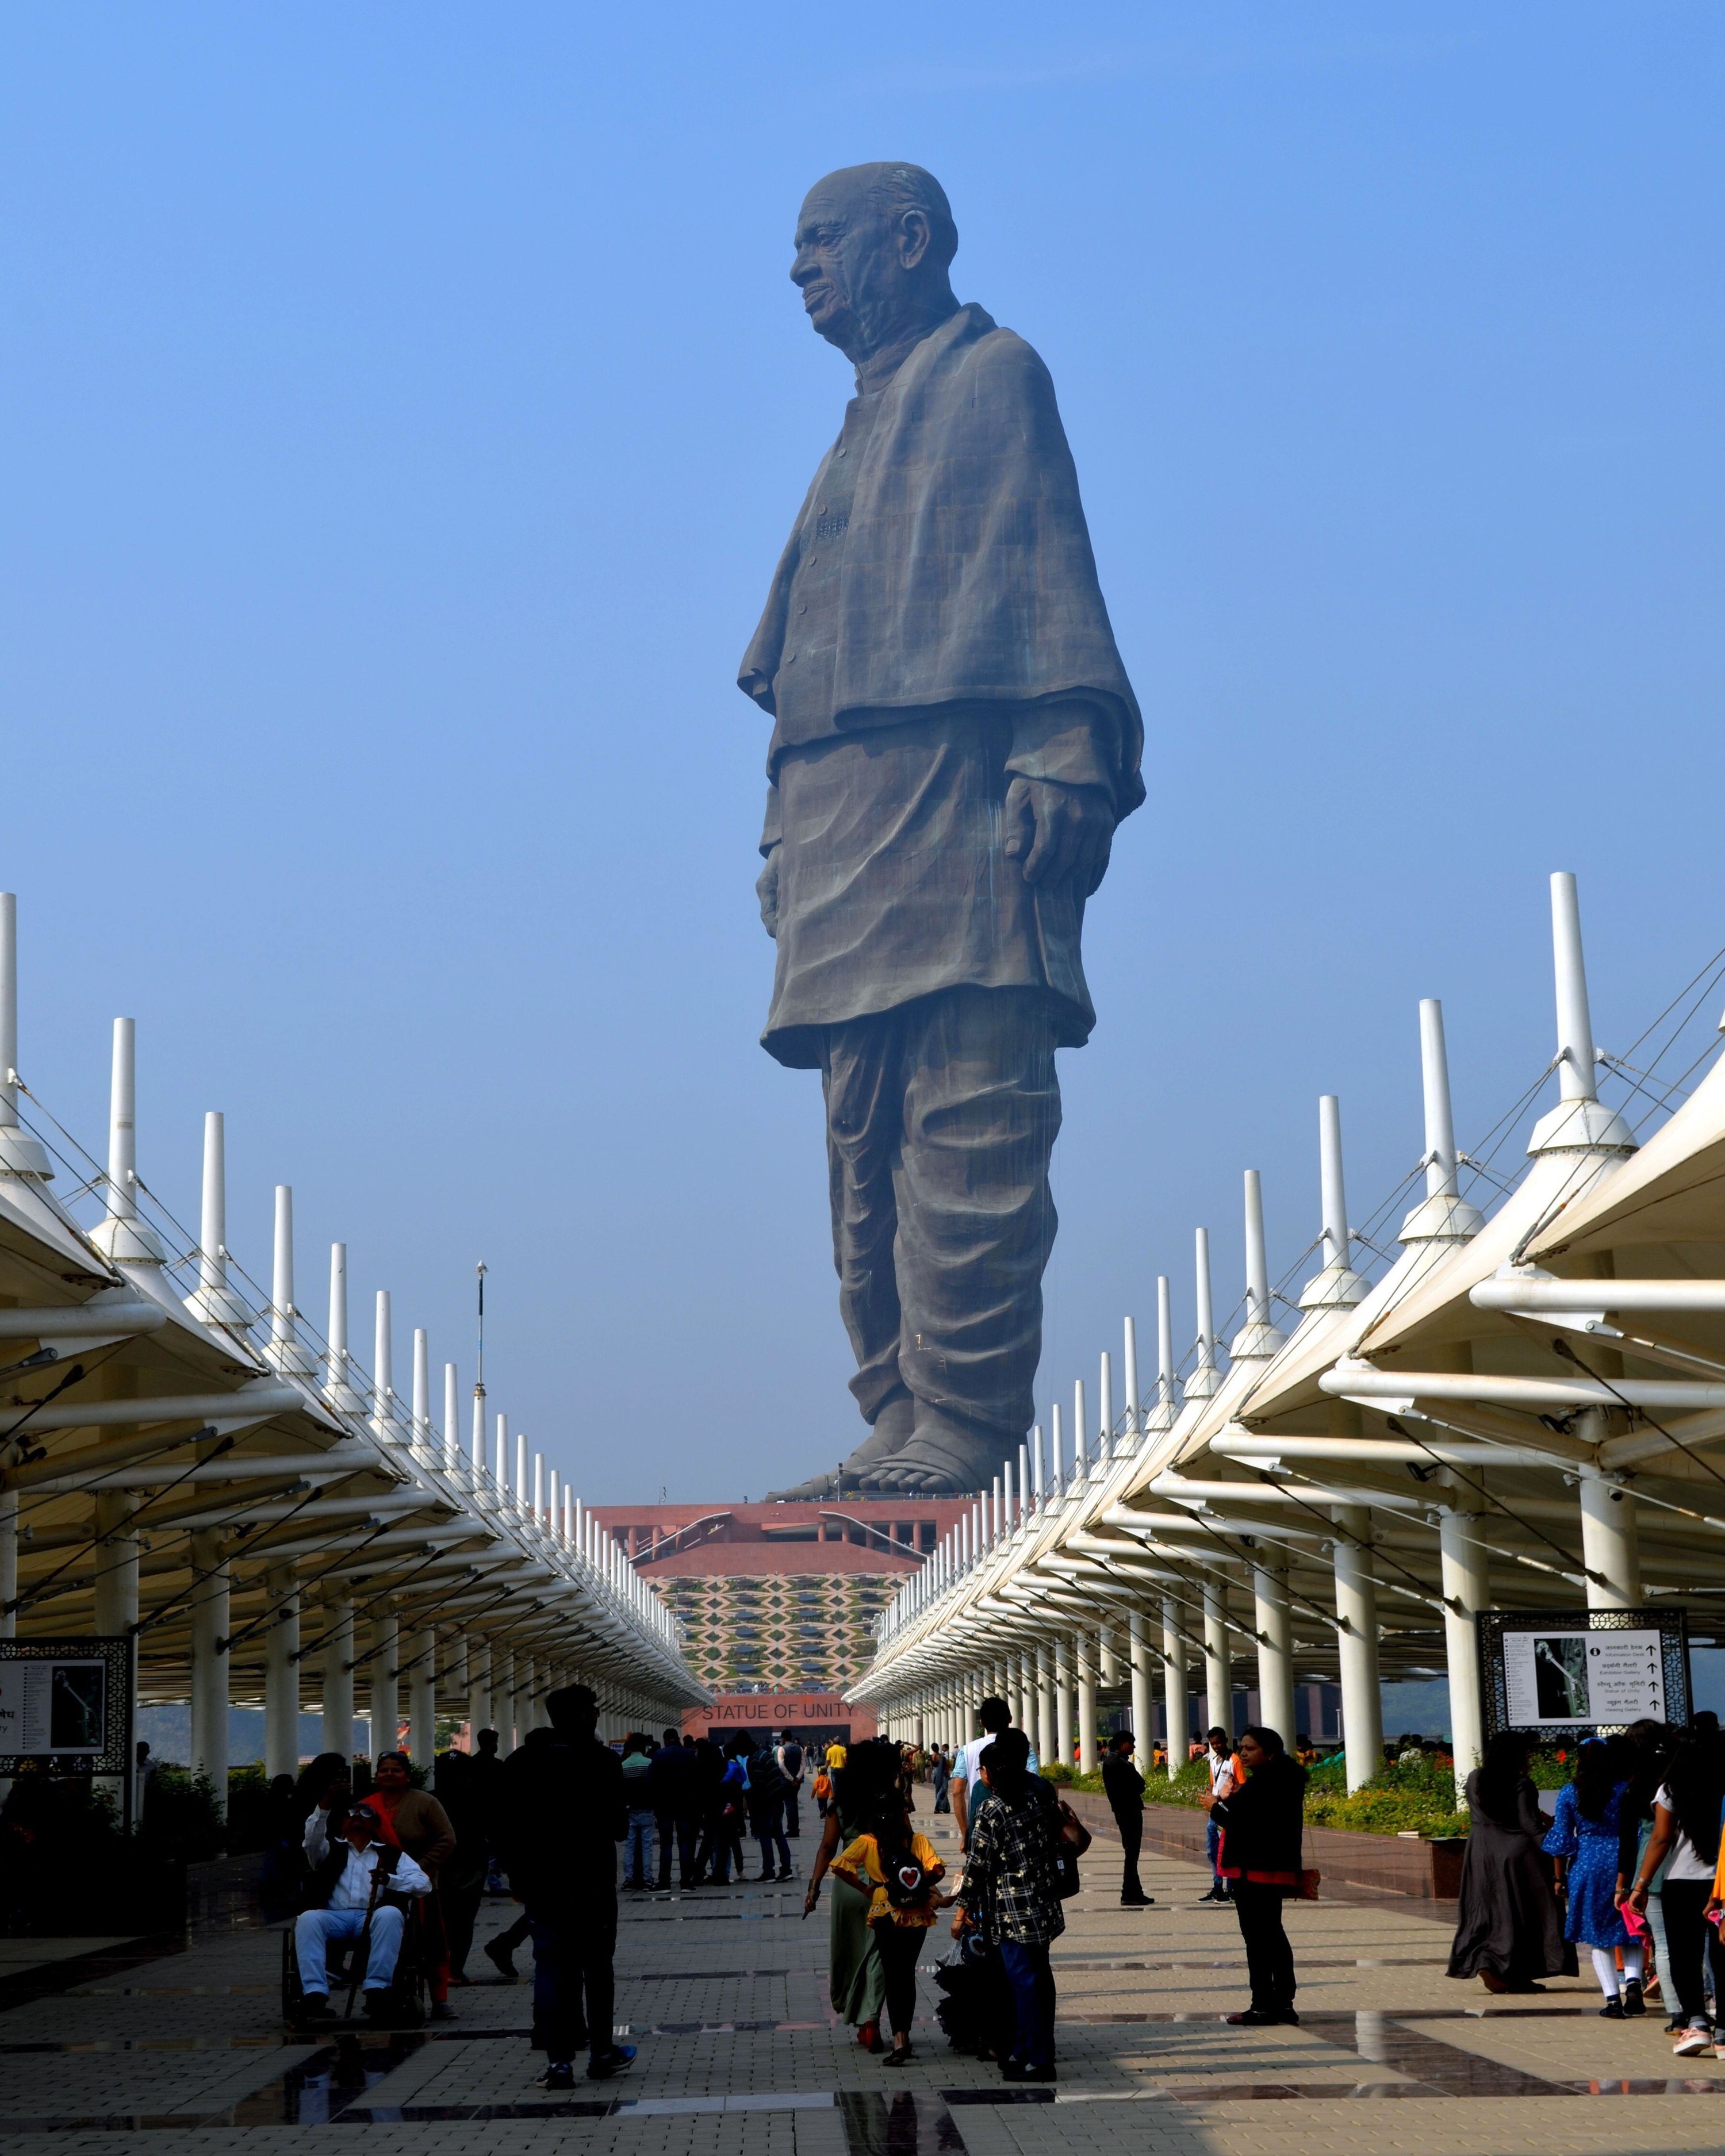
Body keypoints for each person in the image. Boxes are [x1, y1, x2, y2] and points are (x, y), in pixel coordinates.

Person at [494, 1682, 635, 2088]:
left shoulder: (520, 1762)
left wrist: (517, 1876)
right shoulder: (603, 1761)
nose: (596, 1715)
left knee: (552, 1969)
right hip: (592, 1883)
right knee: (597, 1969)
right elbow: (618, 1827)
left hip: (542, 1886)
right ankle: (603, 2051)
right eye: (592, 1710)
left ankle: (558, 2062)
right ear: (580, 1715)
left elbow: (503, 1828)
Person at [953, 1730, 1065, 2081]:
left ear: (988, 1773)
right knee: (1036, 1980)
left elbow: (978, 1866)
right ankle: (1023, 2050)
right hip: (1043, 1904)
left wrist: (960, 1910)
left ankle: (1039, 2061)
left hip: (1014, 1912)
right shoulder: (1036, 1799)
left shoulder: (992, 1809)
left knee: (1024, 1985)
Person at [1446, 1731, 1574, 1994]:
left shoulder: (1475, 1778)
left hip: (1480, 1851)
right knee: (1521, 1913)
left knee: (1488, 1911)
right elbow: (1530, 1825)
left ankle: (1486, 1960)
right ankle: (1515, 1974)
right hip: (1518, 1854)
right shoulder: (1521, 1782)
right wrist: (1558, 1848)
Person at [833, 1783, 946, 2065]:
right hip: (916, 1912)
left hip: (884, 1910)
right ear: (902, 1813)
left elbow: (841, 1865)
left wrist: (867, 1888)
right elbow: (938, 1870)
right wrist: (920, 1884)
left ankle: (898, 2040)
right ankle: (903, 2036)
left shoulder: (868, 1842)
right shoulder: (916, 1841)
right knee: (906, 1974)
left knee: (893, 1973)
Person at [1202, 1724, 1306, 2027]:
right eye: (1242, 1748)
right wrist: (1232, 1801)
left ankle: (1262, 2005)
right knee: (1273, 1935)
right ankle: (1284, 2003)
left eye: (1250, 1749)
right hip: (1275, 1868)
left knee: (1258, 1939)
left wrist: (1215, 1807)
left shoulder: (1267, 1781)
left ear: (1269, 1751)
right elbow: (1259, 1818)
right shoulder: (1284, 1777)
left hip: (1255, 1869)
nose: (1243, 1753)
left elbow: (1249, 1827)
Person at [294, 1798, 432, 2022]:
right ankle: (315, 1993)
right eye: (351, 1814)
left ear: (374, 1824)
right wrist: (323, 1808)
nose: (357, 1817)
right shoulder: (328, 1849)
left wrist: (390, 1880)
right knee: (309, 1919)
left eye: (365, 1814)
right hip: (335, 1917)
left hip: (372, 1917)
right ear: (342, 1824)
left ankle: (378, 1989)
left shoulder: (391, 1854)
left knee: (391, 1914)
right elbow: (311, 1841)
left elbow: (424, 1885)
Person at [1632, 1727, 1725, 2054]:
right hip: (1721, 1883)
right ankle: (1724, 2032)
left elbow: (1660, 1839)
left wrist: (1641, 1885)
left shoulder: (1670, 1790)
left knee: (1684, 1957)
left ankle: (1696, 2024)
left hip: (1681, 1881)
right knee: (1721, 1955)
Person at [804, 1738, 897, 2053]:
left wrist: (813, 1888)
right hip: (882, 1882)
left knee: (851, 1952)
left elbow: (828, 1847)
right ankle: (872, 2019)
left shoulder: (840, 1802)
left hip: (847, 1884)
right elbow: (908, 1841)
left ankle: (859, 2021)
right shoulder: (891, 1799)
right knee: (878, 1955)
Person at [1542, 1734, 1643, 2017]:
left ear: (1579, 1761)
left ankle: (1613, 2000)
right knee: (1631, 1928)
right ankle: (1634, 1983)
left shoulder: (1569, 1793)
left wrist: (1559, 1878)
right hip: (1626, 1862)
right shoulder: (1626, 1790)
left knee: (1598, 1936)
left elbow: (1561, 1838)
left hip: (1588, 1866)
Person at [358, 1751, 458, 2020]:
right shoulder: (365, 1806)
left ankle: (440, 1999)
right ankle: (380, 1994)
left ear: (408, 1776)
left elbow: (447, 1839)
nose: (389, 1774)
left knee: (431, 1941)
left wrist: (421, 1867)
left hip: (419, 1885)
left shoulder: (425, 1802)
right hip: (378, 1888)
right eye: (384, 1770)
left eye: (396, 1770)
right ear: (376, 1775)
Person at [952, 1697, 1040, 1851]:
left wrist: (966, 1833)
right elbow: (1035, 1783)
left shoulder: (967, 1751)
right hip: (1021, 1828)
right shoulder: (1024, 1748)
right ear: (1010, 1719)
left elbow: (957, 1792)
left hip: (981, 1829)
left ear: (982, 1723)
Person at [434, 1749, 489, 1986]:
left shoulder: (431, 1799)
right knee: (463, 1920)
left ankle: (440, 1970)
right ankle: (455, 1970)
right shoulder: (479, 1798)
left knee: (438, 1920)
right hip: (470, 1865)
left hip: (436, 1867)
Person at [1101, 1731, 1153, 1908]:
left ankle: (1134, 1891)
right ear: (1123, 1744)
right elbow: (1141, 1785)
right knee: (1132, 1854)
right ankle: (1129, 1893)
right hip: (1131, 1813)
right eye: (1132, 1743)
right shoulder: (1123, 1765)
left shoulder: (1107, 1763)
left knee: (1130, 1853)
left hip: (1120, 1812)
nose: (1134, 1747)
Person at [650, 1725, 700, 1889]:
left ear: (665, 1740)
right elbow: (696, 1780)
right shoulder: (689, 1754)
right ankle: (686, 1881)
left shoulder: (659, 1755)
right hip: (686, 1806)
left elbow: (652, 1780)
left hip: (664, 1806)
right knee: (684, 1843)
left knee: (666, 1843)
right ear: (677, 1738)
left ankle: (664, 1882)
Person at [1200, 1728, 1243, 1902]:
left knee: (1226, 1849)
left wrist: (1224, 1798)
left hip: (1227, 1810)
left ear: (1226, 1741)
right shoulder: (1214, 1761)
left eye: (1219, 1742)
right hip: (1215, 1809)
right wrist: (1211, 1796)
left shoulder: (1235, 1760)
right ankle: (1217, 1887)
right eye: (1213, 1744)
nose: (1216, 1746)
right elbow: (1214, 1783)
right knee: (1212, 1851)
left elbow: (1241, 1786)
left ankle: (1230, 1888)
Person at [745, 1737, 794, 1881]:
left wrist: (754, 1812)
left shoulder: (754, 1760)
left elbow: (759, 1787)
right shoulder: (765, 1755)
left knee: (765, 1836)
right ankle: (786, 1870)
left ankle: (769, 1872)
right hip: (777, 1799)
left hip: (766, 1803)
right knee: (779, 1836)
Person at [621, 1734, 656, 1889]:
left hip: (630, 1810)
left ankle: (629, 1879)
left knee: (629, 1846)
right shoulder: (649, 1764)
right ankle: (648, 1878)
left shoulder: (624, 1765)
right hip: (647, 1809)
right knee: (647, 1846)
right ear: (643, 1747)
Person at [777, 1736, 806, 1839]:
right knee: (795, 1804)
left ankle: (792, 1830)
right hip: (797, 1782)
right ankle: (796, 1829)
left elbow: (781, 1765)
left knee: (789, 1805)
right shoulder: (800, 1749)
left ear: (784, 1739)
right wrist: (798, 1778)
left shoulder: (782, 1749)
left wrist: (790, 1778)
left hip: (786, 1782)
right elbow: (804, 1765)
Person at [931, 1745, 951, 1814]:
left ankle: (946, 1808)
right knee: (943, 1790)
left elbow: (931, 1766)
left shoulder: (932, 1757)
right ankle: (938, 1807)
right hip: (942, 1774)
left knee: (938, 1790)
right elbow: (949, 1764)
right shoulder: (942, 1757)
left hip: (935, 1773)